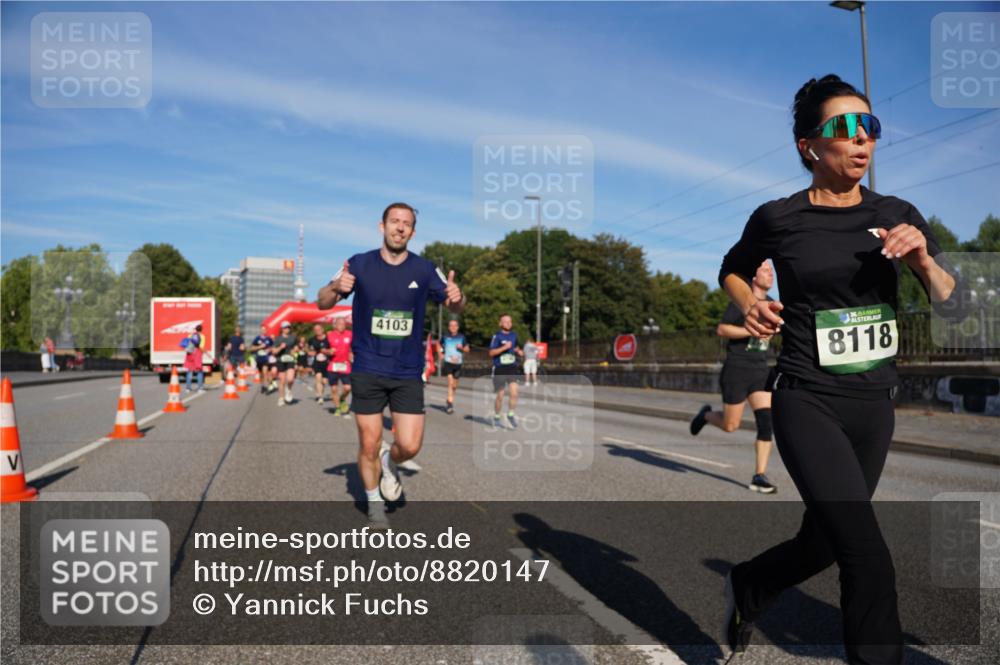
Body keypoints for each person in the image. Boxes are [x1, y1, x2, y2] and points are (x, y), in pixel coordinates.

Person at [717, 75, 957, 665]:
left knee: (825, 541)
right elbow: (733, 266)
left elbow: (948, 298)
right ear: (809, 146)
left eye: (869, 128)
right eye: (842, 129)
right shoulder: (779, 217)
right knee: (867, 555)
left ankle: (751, 583)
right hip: (806, 397)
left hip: (874, 403)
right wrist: (750, 304)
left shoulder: (897, 214)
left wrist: (923, 256)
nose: (860, 141)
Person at [317, 202, 465, 525]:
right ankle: (374, 503)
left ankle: (390, 459)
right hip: (368, 366)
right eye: (394, 221)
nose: (400, 227)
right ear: (381, 226)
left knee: (409, 445)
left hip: (407, 371)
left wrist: (457, 297)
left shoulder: (425, 269)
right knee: (368, 442)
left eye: (406, 224)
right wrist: (334, 287)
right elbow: (321, 302)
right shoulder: (357, 264)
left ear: (412, 231)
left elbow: (455, 307)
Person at [690, 260, 777, 494]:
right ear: (754, 276)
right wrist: (751, 329)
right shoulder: (741, 302)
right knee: (730, 426)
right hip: (737, 369)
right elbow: (722, 329)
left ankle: (759, 475)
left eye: (772, 271)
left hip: (760, 369)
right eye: (766, 271)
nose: (771, 275)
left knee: (766, 423)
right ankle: (706, 415)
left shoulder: (772, 304)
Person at [489, 314, 523, 428]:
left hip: (511, 367)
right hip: (500, 368)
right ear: (500, 323)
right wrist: (504, 348)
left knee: (514, 392)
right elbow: (491, 353)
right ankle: (497, 416)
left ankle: (510, 414)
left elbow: (516, 347)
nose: (508, 323)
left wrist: (519, 351)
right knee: (500, 395)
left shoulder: (514, 335)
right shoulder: (497, 336)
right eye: (505, 321)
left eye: (510, 322)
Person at [437, 318, 469, 414]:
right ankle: (450, 404)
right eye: (451, 325)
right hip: (448, 363)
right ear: (449, 327)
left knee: (455, 385)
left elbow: (467, 349)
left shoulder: (462, 337)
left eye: (455, 325)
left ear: (458, 327)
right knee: (450, 383)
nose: (453, 327)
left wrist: (462, 348)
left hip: (458, 363)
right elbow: (439, 345)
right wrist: (440, 354)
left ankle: (449, 399)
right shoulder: (445, 336)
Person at [325, 317, 354, 417]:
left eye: (344, 324)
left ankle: (341, 399)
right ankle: (337, 408)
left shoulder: (350, 334)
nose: (342, 326)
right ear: (335, 325)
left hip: (345, 365)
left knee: (348, 388)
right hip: (333, 365)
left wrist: (352, 353)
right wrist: (328, 351)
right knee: (334, 389)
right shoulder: (329, 335)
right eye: (340, 324)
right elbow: (322, 349)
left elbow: (354, 347)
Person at [272, 322, 298, 406]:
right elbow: (274, 352)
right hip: (281, 360)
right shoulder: (278, 339)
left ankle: (289, 390)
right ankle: (281, 398)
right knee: (282, 381)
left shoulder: (293, 338)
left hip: (290, 360)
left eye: (288, 327)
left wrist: (295, 350)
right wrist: (280, 347)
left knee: (290, 379)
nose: (287, 329)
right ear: (282, 329)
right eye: (285, 328)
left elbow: (296, 347)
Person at [307, 323, 332, 404]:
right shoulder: (312, 340)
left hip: (327, 362)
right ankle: (320, 397)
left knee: (324, 381)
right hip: (317, 362)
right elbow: (306, 348)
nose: (317, 331)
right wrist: (309, 352)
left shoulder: (328, 339)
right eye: (315, 330)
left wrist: (327, 352)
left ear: (322, 329)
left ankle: (319, 389)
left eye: (319, 329)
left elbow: (333, 349)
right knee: (318, 378)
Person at [249, 325, 276, 394]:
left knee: (265, 372)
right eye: (262, 329)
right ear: (260, 330)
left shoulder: (269, 339)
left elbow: (273, 347)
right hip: (258, 359)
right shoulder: (257, 338)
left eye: (265, 330)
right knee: (261, 374)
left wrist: (269, 349)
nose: (263, 331)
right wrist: (260, 347)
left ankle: (269, 386)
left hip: (266, 358)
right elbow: (251, 348)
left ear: (266, 331)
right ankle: (263, 386)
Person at [183, 324, 206, 393]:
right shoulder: (202, 336)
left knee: (189, 371)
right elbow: (201, 347)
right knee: (199, 371)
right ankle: (200, 388)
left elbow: (187, 345)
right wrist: (204, 352)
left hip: (189, 354)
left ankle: (188, 388)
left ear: (195, 329)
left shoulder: (190, 335)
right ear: (201, 330)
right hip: (197, 354)